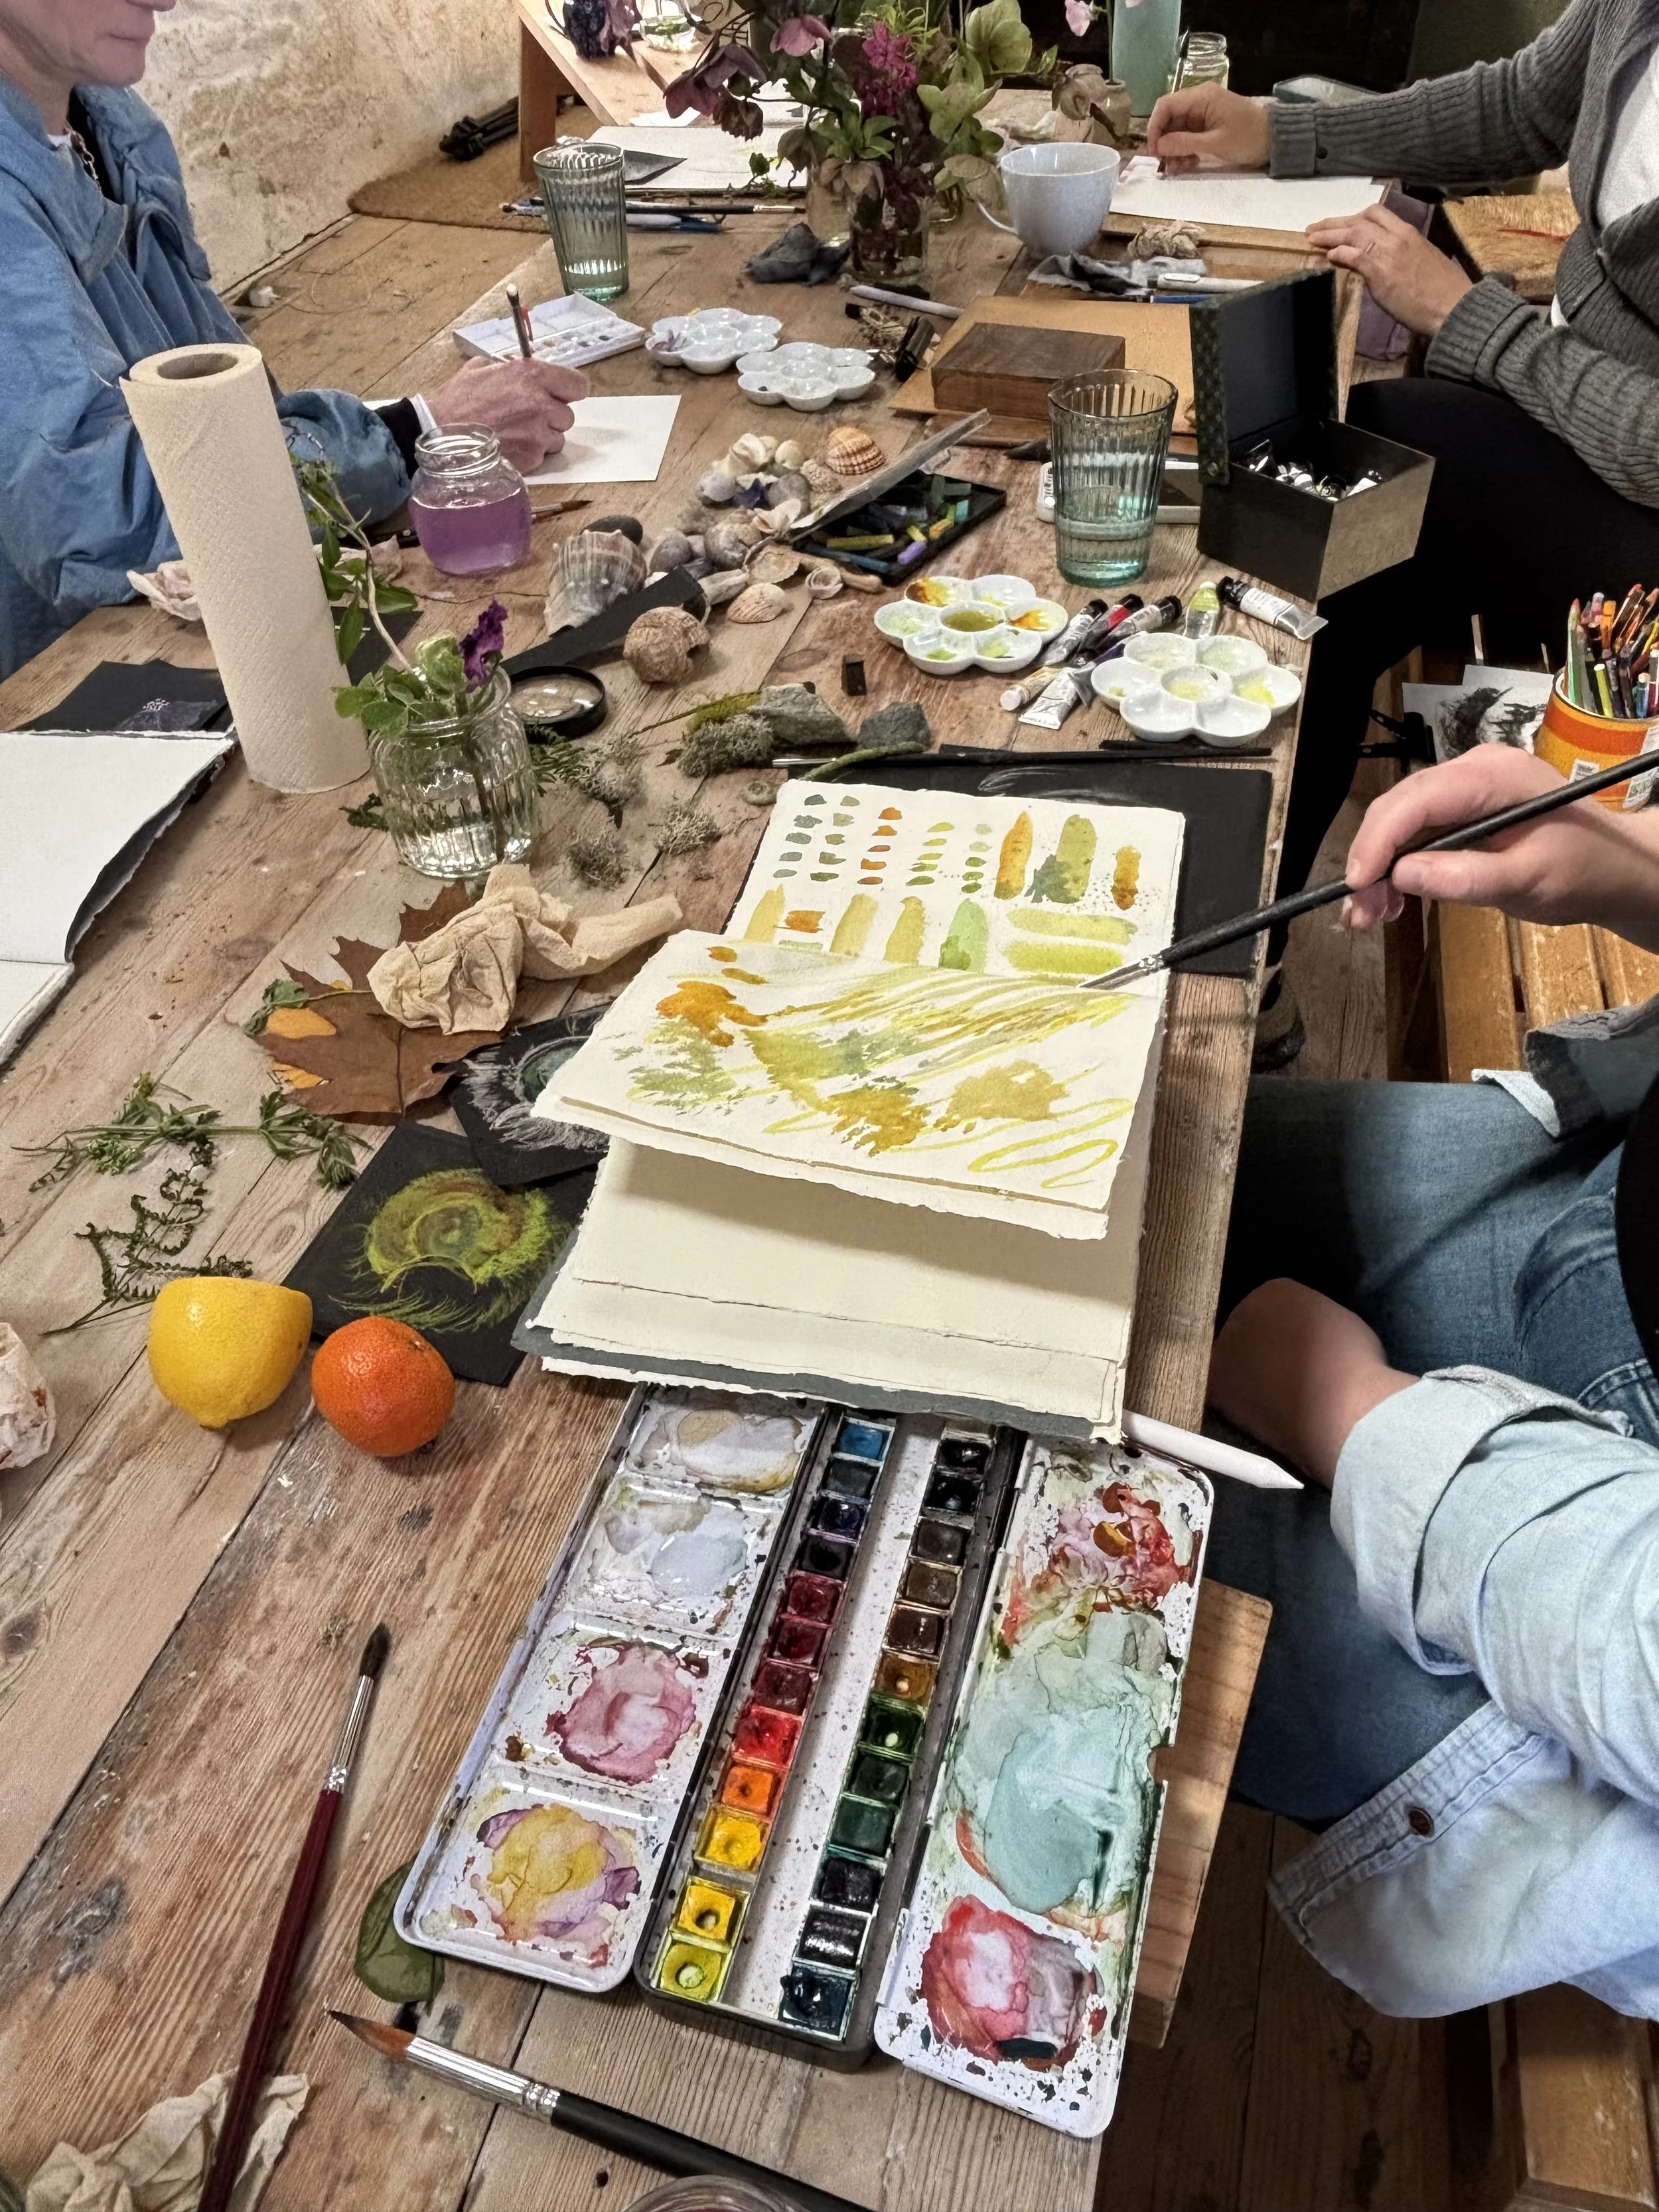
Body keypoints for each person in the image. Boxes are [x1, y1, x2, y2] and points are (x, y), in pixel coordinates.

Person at [1204, 742, 1659, 2017]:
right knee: (1144, 1154)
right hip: (1607, 1231)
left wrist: (1355, 1415)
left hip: (1608, 1617)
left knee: (983, 1514)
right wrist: (1635, 869)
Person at [1147, 13, 1659, 1067]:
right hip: (1569, 417)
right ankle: (1235, 952)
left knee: (1347, 490)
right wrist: (1280, 134)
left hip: (1640, 501)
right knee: (1327, 530)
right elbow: (1520, 103)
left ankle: (1224, 973)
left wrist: (1469, 320)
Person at [0, 0, 587, 679]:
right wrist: (410, 430)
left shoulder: (110, 120)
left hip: (247, 621)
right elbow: (104, 525)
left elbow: (226, 410)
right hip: (86, 691)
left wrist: (385, 439)